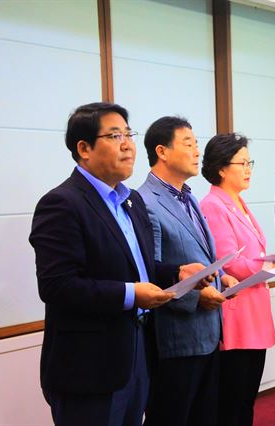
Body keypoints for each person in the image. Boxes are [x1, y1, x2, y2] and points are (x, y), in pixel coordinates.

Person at [29, 102, 203, 426]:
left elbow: (139, 267)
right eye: (114, 135)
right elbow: (57, 285)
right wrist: (131, 295)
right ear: (84, 148)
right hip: (89, 366)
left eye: (129, 134)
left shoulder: (130, 200)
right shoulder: (61, 204)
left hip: (137, 353)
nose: (127, 144)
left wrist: (177, 272)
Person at [199, 133, 275, 426]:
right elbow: (230, 264)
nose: (248, 169)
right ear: (222, 168)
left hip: (253, 310)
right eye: (242, 163)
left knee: (246, 399)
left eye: (250, 163)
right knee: (233, 402)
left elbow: (252, 255)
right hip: (236, 314)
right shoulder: (213, 205)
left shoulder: (239, 203)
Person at [137, 116, 238, 426]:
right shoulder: (145, 201)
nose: (197, 151)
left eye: (197, 144)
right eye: (189, 144)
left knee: (205, 416)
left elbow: (199, 256)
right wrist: (195, 299)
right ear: (162, 151)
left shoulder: (190, 195)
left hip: (208, 330)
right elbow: (150, 271)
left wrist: (222, 277)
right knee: (172, 416)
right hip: (176, 335)